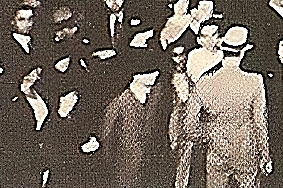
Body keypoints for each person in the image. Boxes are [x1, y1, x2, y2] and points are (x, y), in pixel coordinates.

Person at [181, 26, 271, 188]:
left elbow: (189, 125)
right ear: (243, 51)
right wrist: (265, 154)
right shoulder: (255, 81)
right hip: (246, 153)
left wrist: (208, 135)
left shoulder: (205, 81)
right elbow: (260, 122)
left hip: (217, 152)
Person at [101, 55, 172, 188]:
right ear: (136, 76)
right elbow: (107, 136)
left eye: (155, 73)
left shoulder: (156, 95)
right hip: (125, 165)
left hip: (149, 162)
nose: (155, 76)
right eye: (149, 73)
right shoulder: (120, 102)